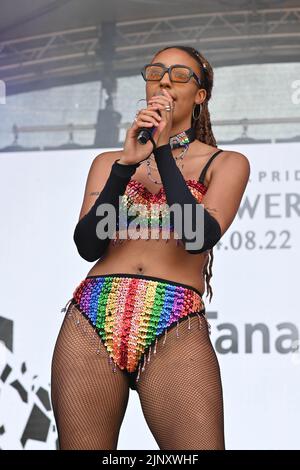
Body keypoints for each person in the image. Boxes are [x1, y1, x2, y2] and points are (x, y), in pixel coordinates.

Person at [51, 45, 250, 450]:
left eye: (179, 75)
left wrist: (160, 149)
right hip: (92, 316)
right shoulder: (111, 161)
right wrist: (126, 165)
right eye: (156, 72)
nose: (163, 80)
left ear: (200, 95)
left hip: (172, 318)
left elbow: (196, 236)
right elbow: (88, 245)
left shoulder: (226, 163)